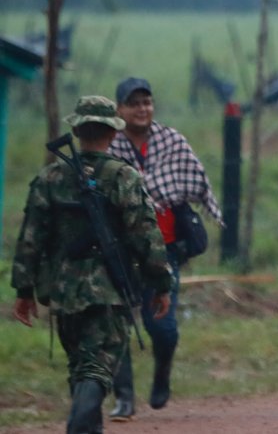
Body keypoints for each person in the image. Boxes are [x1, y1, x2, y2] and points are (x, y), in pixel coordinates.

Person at [10, 96, 173, 434]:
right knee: (96, 369)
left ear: (76, 130)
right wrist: (161, 283)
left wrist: (24, 290)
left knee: (81, 368)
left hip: (63, 293)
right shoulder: (124, 177)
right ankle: (77, 427)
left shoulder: (50, 178)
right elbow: (146, 236)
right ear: (114, 133)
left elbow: (30, 239)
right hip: (109, 292)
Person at [106, 77, 223, 420]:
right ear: (119, 109)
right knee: (115, 321)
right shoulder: (109, 147)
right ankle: (124, 397)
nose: (142, 109)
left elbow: (194, 180)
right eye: (133, 104)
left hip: (164, 250)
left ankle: (162, 373)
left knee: (162, 327)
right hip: (120, 249)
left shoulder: (172, 141)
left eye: (146, 102)